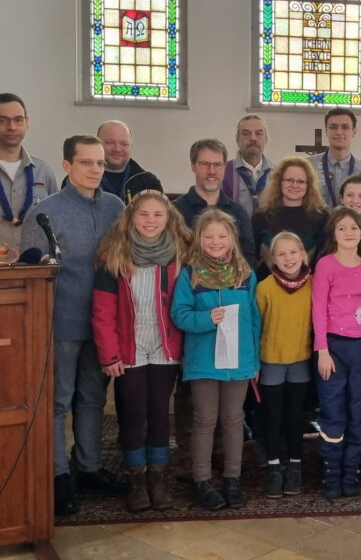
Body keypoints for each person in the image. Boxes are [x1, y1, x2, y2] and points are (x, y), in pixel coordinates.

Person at [20, 135, 126, 516]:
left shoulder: (116, 206)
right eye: (86, 162)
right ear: (67, 166)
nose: (95, 169)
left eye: (99, 163)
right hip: (60, 320)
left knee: (93, 399)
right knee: (59, 401)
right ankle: (57, 474)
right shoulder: (44, 212)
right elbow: (32, 273)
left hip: (103, 322)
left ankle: (90, 467)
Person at [92, 190, 192, 512]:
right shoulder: (115, 256)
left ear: (169, 218)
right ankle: (137, 481)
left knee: (160, 414)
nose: (151, 221)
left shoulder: (180, 255)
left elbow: (187, 304)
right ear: (131, 218)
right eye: (144, 215)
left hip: (165, 349)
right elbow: (103, 312)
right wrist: (109, 354)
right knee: (134, 415)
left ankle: (157, 480)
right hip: (128, 350)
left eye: (158, 215)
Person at [170, 208, 261, 511]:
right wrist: (206, 319)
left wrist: (255, 361)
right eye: (209, 236)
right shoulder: (190, 273)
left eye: (222, 236)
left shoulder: (246, 274)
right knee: (205, 420)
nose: (216, 241)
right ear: (199, 239)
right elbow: (179, 314)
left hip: (239, 360)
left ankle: (232, 480)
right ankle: (203, 481)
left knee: (234, 420)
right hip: (203, 360)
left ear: (232, 239)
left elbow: (255, 321)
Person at [311, 207, 361, 498]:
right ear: (333, 234)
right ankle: (332, 470)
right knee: (332, 411)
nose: (348, 233)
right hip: (333, 347)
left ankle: (352, 470)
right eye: (342, 228)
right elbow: (317, 309)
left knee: (358, 410)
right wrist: (322, 350)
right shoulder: (326, 265)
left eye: (353, 227)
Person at [256, 231, 313, 499]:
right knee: (272, 416)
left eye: (293, 252)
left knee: (295, 417)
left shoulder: (314, 284)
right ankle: (274, 467)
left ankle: (295, 466)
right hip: (271, 361)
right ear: (273, 259)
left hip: (300, 360)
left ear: (303, 254)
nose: (288, 258)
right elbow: (257, 326)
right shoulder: (265, 287)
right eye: (281, 254)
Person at [174, 139, 256, 266]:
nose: (211, 171)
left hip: (233, 285)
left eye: (217, 164)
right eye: (204, 164)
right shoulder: (175, 211)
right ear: (193, 166)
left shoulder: (238, 212)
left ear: (224, 167)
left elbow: (248, 259)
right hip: (188, 284)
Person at [252, 155, 328, 279]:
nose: (294, 185)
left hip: (308, 290)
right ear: (279, 181)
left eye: (301, 181)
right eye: (289, 180)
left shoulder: (322, 217)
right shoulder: (261, 216)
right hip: (267, 289)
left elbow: (324, 260)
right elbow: (251, 257)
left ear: (309, 185)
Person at [0, 92, 56, 248]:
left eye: (18, 120)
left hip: (35, 267)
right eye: (2, 120)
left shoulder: (43, 171)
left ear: (27, 122)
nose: (11, 127)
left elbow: (56, 220)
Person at [94, 120, 163, 203]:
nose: (117, 149)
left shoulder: (149, 183)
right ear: (97, 144)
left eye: (124, 144)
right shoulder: (83, 180)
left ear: (131, 146)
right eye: (110, 142)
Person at [310, 108, 361, 209]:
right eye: (333, 127)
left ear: (354, 132)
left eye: (345, 127)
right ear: (326, 131)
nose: (339, 132)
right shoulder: (309, 166)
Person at [224, 114, 275, 218]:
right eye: (246, 133)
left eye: (259, 133)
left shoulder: (278, 174)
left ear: (266, 139)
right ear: (237, 139)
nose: (253, 138)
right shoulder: (223, 172)